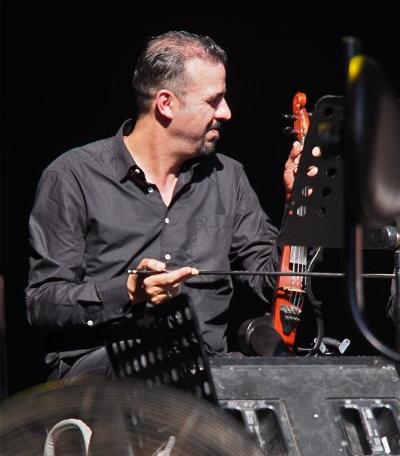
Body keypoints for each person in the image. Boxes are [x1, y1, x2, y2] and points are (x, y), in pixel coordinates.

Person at [25, 30, 302, 380]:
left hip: (201, 381)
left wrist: (299, 205)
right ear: (166, 103)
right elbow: (42, 303)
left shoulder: (228, 178)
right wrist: (128, 291)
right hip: (106, 379)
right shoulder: (72, 176)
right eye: (213, 100)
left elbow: (273, 284)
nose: (227, 113)